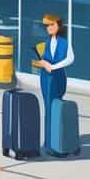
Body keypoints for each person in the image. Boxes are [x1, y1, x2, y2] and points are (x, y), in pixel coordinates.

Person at [34, 13, 74, 153]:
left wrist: (53, 67)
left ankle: (55, 142)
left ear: (59, 26)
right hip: (46, 78)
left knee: (55, 108)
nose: (49, 28)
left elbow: (70, 59)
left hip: (57, 76)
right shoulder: (47, 41)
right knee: (49, 109)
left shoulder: (64, 42)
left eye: (52, 25)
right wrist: (42, 63)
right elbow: (46, 59)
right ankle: (49, 143)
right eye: (47, 25)